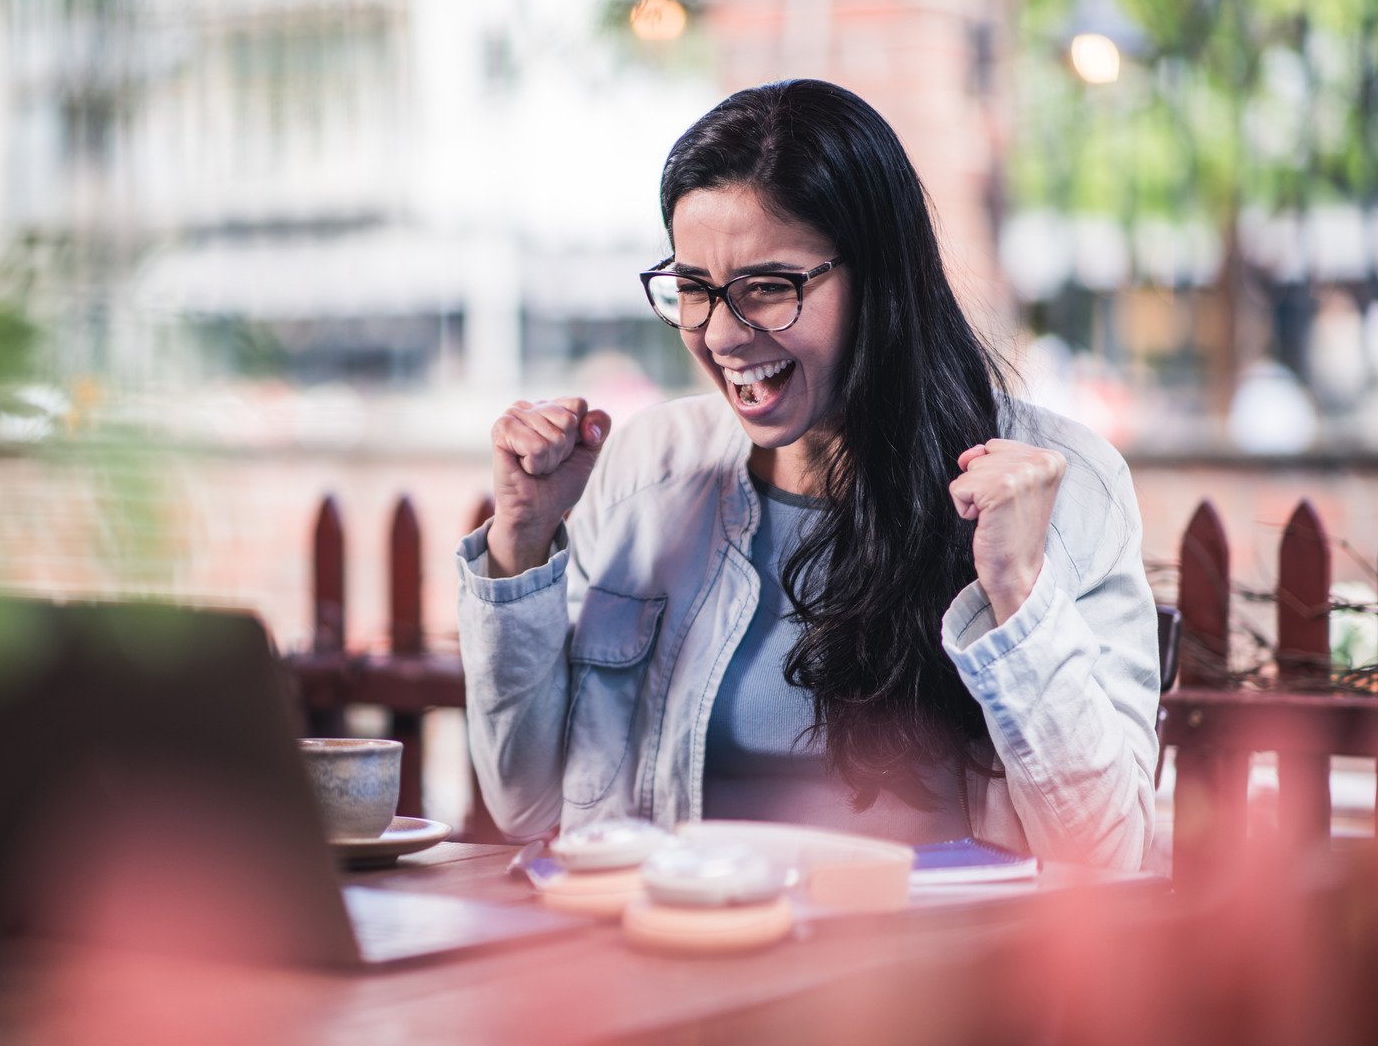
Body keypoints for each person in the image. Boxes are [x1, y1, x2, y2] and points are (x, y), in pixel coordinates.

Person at [455, 80, 1159, 870]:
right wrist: (520, 539)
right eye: (694, 289)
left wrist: (1018, 592)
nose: (722, 333)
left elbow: (1109, 855)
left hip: (932, 976)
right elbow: (525, 807)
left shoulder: (1062, 490)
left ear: (879, 282)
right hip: (687, 957)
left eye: (767, 287)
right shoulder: (645, 469)